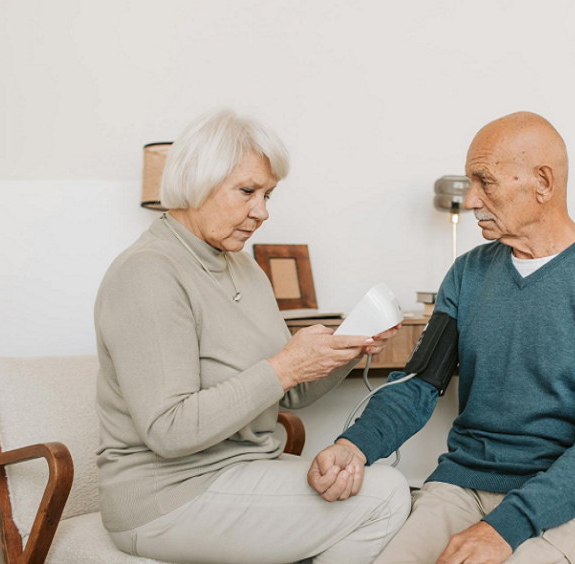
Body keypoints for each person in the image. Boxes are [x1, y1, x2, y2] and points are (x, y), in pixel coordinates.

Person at [308, 112, 575, 564]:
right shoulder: (467, 273)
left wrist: (505, 528)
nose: (471, 199)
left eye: (485, 181)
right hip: (466, 484)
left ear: (543, 182)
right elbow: (417, 385)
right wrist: (355, 444)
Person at [94, 108, 410, 564]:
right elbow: (168, 430)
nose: (262, 212)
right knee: (387, 496)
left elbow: (290, 393)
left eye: (268, 195)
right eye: (247, 191)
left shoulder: (243, 266)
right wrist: (285, 367)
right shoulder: (148, 272)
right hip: (169, 495)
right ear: (197, 180)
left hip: (244, 470)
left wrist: (345, 350)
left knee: (368, 485)